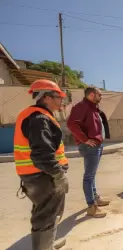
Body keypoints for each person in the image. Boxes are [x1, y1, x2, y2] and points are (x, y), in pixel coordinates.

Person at [14, 79, 69, 249]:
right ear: (46, 98)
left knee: (43, 212)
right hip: (43, 176)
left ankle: (47, 244)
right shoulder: (39, 118)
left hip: (36, 175)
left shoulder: (34, 116)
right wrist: (59, 175)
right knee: (46, 215)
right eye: (58, 97)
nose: (61, 101)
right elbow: (42, 155)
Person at [67, 87, 110, 218]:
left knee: (91, 175)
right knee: (89, 177)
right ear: (92, 95)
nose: (101, 97)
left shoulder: (92, 107)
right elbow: (71, 124)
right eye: (99, 95)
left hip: (96, 145)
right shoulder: (82, 106)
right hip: (90, 147)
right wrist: (85, 140)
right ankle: (91, 206)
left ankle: (95, 198)